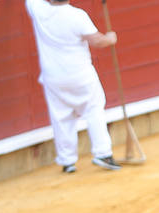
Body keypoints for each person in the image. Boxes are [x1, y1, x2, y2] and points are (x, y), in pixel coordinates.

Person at [24, 0, 122, 174]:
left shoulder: (38, 9)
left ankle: (67, 161)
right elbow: (96, 41)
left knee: (61, 117)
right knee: (94, 110)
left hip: (53, 77)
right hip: (80, 74)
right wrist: (109, 39)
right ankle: (103, 153)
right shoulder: (77, 15)